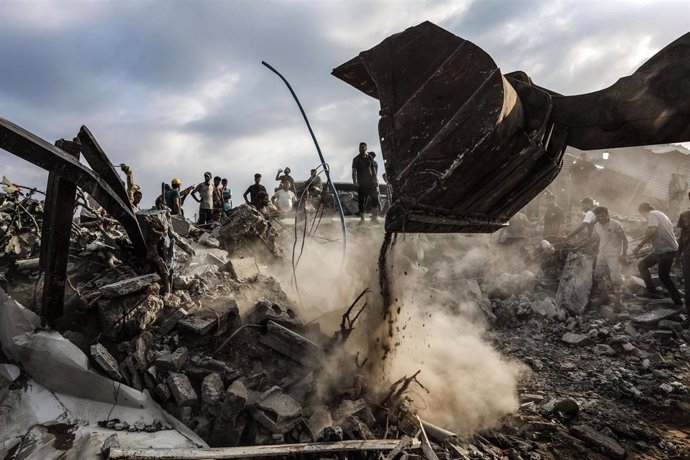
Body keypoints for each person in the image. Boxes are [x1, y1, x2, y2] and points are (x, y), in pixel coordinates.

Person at [632, 202, 682, 305]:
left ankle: (678, 301)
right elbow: (656, 232)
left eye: (642, 214)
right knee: (642, 265)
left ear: (643, 211)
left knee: (663, 276)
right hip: (661, 250)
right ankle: (652, 292)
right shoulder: (660, 214)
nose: (644, 217)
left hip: (667, 250)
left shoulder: (652, 215)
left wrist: (639, 246)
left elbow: (652, 231)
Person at [586, 206, 628, 306]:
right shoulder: (597, 225)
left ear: (607, 214)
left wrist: (624, 254)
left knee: (615, 277)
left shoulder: (616, 224)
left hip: (614, 254)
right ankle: (604, 295)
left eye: (603, 216)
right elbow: (595, 238)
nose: (601, 218)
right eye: (598, 216)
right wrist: (581, 244)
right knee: (598, 275)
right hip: (602, 253)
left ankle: (618, 300)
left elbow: (625, 240)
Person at [352, 142, 379, 223]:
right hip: (362, 183)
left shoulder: (370, 157)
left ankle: (374, 217)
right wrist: (355, 182)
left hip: (371, 182)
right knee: (361, 201)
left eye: (363, 147)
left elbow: (373, 170)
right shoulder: (356, 159)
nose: (361, 149)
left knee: (375, 199)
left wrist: (376, 180)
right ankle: (362, 219)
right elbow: (354, 172)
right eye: (360, 147)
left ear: (366, 148)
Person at [676, 191, 690, 321]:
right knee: (688, 284)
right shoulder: (684, 216)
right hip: (688, 255)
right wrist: (677, 256)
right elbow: (681, 237)